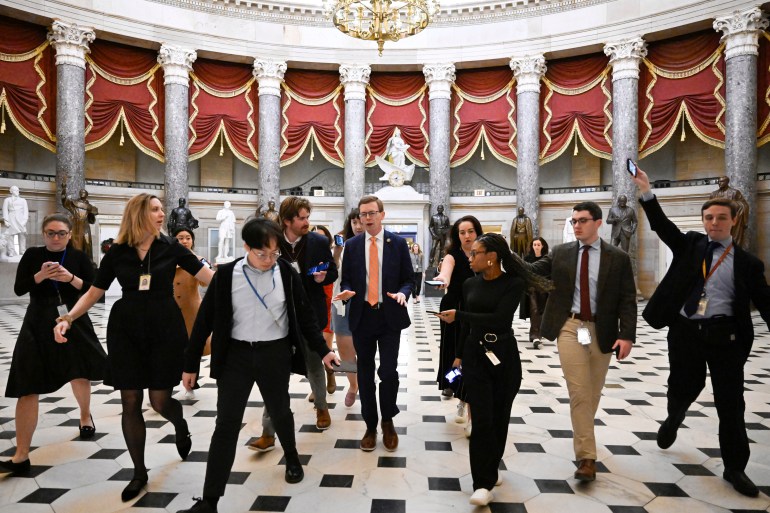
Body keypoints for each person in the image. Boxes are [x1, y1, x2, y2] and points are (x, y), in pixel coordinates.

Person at [53, 193, 215, 502]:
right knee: (130, 400)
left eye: (160, 209)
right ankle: (139, 472)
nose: (160, 214)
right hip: (126, 329)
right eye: (154, 209)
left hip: (165, 329)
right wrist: (69, 318)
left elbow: (211, 280)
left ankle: (179, 424)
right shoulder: (118, 252)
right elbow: (94, 292)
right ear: (139, 214)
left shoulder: (172, 248)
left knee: (159, 401)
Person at [176, 218, 339, 513]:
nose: (268, 260)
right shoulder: (226, 275)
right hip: (235, 357)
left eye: (274, 254)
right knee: (225, 425)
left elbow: (305, 317)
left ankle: (291, 456)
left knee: (280, 411)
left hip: (274, 353)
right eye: (261, 253)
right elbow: (204, 321)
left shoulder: (287, 273)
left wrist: (324, 350)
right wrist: (190, 365)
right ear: (246, 247)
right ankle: (209, 500)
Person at [633, 167, 770, 497]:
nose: (714, 223)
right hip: (685, 333)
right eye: (709, 217)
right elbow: (663, 228)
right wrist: (646, 191)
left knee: (731, 404)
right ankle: (674, 416)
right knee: (682, 386)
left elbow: (765, 302)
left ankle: (735, 467)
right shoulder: (692, 245)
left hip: (726, 338)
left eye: (721, 218)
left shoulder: (748, 264)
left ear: (733, 221)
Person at [525, 201, 636, 482]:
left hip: (603, 329)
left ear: (598, 223)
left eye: (582, 220)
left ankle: (582, 433)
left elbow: (627, 299)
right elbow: (533, 269)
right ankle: (587, 457)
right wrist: (504, 258)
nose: (576, 225)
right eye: (573, 221)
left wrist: (627, 335)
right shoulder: (562, 253)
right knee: (579, 391)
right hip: (570, 326)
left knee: (592, 393)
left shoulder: (618, 258)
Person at [435, 233, 549, 506]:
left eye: (475, 253)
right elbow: (466, 326)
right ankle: (482, 483)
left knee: (499, 418)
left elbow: (499, 320)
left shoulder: (514, 283)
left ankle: (491, 464)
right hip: (475, 357)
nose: (470, 258)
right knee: (482, 420)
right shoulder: (469, 284)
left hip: (504, 356)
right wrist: (458, 356)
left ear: (492, 257)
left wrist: (459, 315)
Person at [0, 214, 105, 476]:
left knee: (78, 370)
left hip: (74, 316)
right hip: (37, 319)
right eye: (50, 233)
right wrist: (39, 276)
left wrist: (70, 278)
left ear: (70, 234)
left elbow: (93, 291)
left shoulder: (79, 257)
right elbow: (19, 289)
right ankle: (21, 455)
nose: (55, 238)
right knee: (26, 382)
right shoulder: (32, 255)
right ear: (43, 234)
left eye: (61, 233)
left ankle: (84, 415)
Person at [249, 197, 338, 453]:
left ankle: (321, 407)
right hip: (277, 315)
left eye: (308, 217)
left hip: (310, 313)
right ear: (287, 220)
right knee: (274, 373)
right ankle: (268, 431)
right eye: (302, 218)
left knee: (314, 363)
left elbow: (332, 270)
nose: (307, 222)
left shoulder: (319, 242)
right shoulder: (271, 241)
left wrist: (324, 276)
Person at [333, 195, 414, 452]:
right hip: (362, 317)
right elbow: (346, 280)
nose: (367, 218)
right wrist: (346, 291)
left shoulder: (398, 244)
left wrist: (403, 293)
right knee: (365, 373)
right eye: (362, 214)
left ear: (382, 214)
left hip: (389, 315)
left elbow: (408, 279)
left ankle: (388, 420)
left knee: (388, 372)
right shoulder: (353, 245)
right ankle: (370, 424)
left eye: (371, 213)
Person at [433, 216, 483, 430]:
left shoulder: (485, 254)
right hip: (454, 308)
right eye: (462, 232)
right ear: (457, 235)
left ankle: (466, 398)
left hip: (478, 309)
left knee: (473, 355)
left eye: (470, 231)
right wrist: (442, 279)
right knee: (455, 353)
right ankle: (457, 389)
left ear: (477, 232)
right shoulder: (452, 256)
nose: (467, 236)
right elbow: (446, 272)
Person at [172, 228, 212, 399]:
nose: (185, 241)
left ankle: (191, 382)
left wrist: (205, 266)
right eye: (180, 238)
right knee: (172, 349)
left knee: (193, 347)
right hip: (172, 310)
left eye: (188, 238)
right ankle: (167, 386)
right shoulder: (167, 260)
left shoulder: (196, 260)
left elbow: (205, 283)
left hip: (192, 309)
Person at [330, 209, 364, 408]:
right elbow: (331, 271)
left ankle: (365, 382)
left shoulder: (373, 244)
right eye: (354, 222)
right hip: (341, 302)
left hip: (365, 302)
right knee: (345, 349)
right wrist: (337, 252)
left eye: (361, 222)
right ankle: (353, 385)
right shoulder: (341, 243)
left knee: (365, 345)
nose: (358, 226)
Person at [311, 224, 338, 395]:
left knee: (325, 346)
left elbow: (335, 268)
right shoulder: (305, 258)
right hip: (311, 307)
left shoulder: (331, 259)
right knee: (313, 350)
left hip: (329, 306)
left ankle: (330, 373)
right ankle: (316, 387)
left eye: (321, 237)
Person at [519, 237, 549, 349]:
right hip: (531, 289)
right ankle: (535, 335)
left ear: (542, 246)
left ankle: (537, 333)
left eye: (538, 245)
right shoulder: (527, 258)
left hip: (544, 289)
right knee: (534, 309)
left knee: (541, 311)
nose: (536, 247)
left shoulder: (546, 258)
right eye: (534, 245)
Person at [708, 176, 749, 247]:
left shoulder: (735, 192)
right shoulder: (714, 194)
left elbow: (744, 205)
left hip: (731, 220)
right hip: (718, 221)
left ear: (727, 182)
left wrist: (732, 204)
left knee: (732, 239)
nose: (719, 183)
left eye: (722, 181)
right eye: (719, 181)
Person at [3, 185, 28, 256]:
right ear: (11, 191)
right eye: (15, 190)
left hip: (20, 219)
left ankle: (22, 250)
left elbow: (26, 212)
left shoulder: (23, 200)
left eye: (18, 190)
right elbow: (5, 210)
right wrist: (6, 220)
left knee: (22, 235)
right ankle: (11, 251)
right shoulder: (7, 200)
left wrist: (24, 221)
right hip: (11, 218)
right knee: (10, 235)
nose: (17, 191)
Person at [429, 205, 450, 269]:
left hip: (443, 235)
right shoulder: (434, 217)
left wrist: (445, 231)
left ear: (443, 209)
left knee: (442, 249)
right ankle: (431, 263)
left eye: (441, 208)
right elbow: (430, 227)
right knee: (433, 248)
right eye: (439, 208)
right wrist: (433, 234)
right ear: (437, 209)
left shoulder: (446, 218)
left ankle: (440, 263)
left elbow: (448, 227)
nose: (440, 209)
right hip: (436, 234)